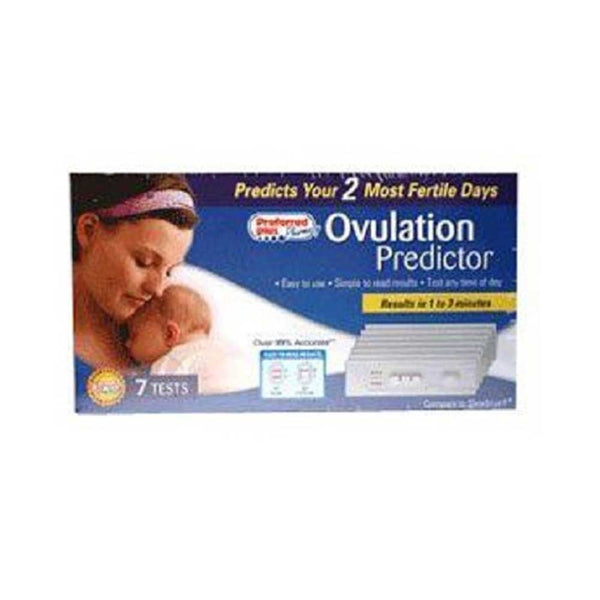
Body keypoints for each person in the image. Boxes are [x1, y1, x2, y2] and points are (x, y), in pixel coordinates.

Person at [71, 174, 198, 371]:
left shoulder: (159, 342)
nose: (157, 289)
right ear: (89, 230)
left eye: (169, 271)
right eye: (144, 262)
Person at [126, 284, 211, 371]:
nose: (127, 344)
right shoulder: (214, 352)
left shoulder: (172, 362)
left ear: (169, 334)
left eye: (133, 336)